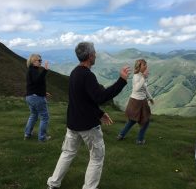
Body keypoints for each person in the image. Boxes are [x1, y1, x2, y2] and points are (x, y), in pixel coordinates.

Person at [47, 42, 130, 189]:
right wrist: (121, 81)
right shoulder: (87, 75)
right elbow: (100, 97)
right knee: (97, 157)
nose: (96, 55)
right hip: (88, 126)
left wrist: (100, 113)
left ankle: (53, 183)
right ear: (90, 56)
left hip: (73, 123)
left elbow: (82, 100)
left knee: (67, 153)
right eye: (95, 53)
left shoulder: (74, 73)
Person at [117, 59, 154, 145]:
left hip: (141, 101)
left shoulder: (141, 75)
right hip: (136, 102)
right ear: (139, 67)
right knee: (145, 121)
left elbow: (145, 88)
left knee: (132, 120)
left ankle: (121, 135)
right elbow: (136, 89)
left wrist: (150, 98)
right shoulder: (136, 76)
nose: (146, 66)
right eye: (144, 65)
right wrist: (144, 77)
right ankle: (139, 140)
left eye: (146, 65)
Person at [24, 54, 51, 142]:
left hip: (30, 97)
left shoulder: (31, 70)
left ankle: (27, 134)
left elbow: (34, 85)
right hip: (36, 97)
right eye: (39, 61)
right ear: (33, 61)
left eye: (41, 60)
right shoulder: (34, 71)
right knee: (44, 117)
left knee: (33, 115)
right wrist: (45, 70)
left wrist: (43, 93)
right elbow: (37, 81)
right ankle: (42, 138)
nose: (41, 62)